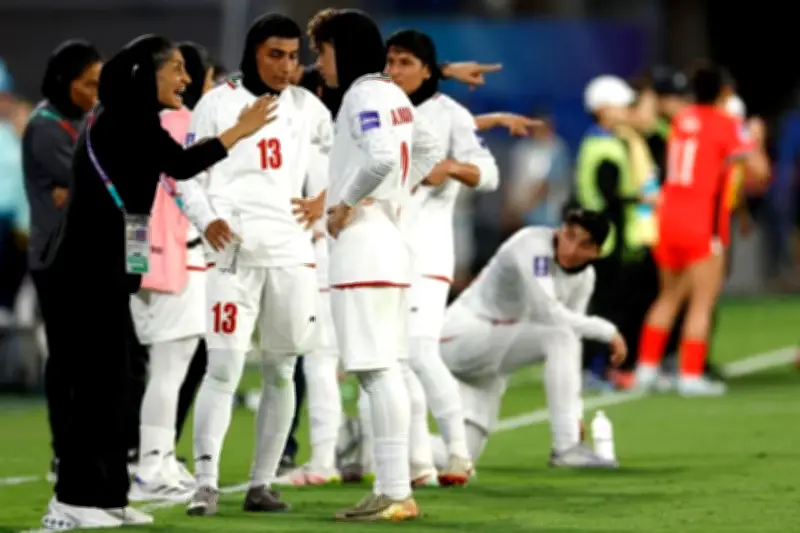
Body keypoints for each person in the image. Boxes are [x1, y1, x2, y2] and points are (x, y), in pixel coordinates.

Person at [39, 34, 275, 530]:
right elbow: (183, 165)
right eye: (176, 69)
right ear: (145, 74)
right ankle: (71, 502)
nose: (186, 79)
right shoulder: (124, 119)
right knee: (95, 389)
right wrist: (241, 129)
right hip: (86, 272)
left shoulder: (126, 116)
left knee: (116, 388)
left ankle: (108, 495)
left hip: (107, 269)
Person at [179, 14, 332, 516]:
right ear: (253, 53)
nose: (286, 66)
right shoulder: (217, 103)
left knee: (283, 370)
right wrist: (206, 219)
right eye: (275, 55)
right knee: (223, 366)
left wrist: (325, 200)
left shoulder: (309, 107)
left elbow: (339, 167)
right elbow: (185, 174)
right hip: (233, 254)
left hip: (292, 255)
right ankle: (205, 484)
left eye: (293, 56)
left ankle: (261, 484)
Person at [312, 8, 443, 521]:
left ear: (343, 49)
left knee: (375, 371)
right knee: (382, 369)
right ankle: (392, 489)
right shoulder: (393, 95)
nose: (320, 63)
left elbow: (383, 157)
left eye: (323, 51)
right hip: (387, 239)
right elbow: (427, 149)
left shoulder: (363, 94)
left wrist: (345, 203)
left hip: (363, 245)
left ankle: (394, 491)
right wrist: (394, 197)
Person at [380, 28, 498, 487]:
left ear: (427, 70)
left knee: (419, 352)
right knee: (394, 360)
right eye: (390, 62)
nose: (394, 71)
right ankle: (419, 464)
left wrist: (450, 167)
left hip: (427, 255)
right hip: (382, 253)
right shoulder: (378, 110)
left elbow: (489, 173)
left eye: (405, 62)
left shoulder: (451, 115)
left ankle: (458, 452)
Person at [432, 209, 625, 468]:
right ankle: (565, 447)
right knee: (558, 334)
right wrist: (607, 331)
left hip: (489, 361)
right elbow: (549, 312)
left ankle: (380, 450)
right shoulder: (533, 246)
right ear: (560, 229)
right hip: (461, 335)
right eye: (569, 236)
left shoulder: (585, 278)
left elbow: (572, 338)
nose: (571, 249)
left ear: (596, 252)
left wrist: (574, 413)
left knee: (458, 459)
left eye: (584, 244)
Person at [636, 66, 768, 396]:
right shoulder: (725, 124)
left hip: (668, 216)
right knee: (701, 302)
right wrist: (756, 139)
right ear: (723, 92)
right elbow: (759, 171)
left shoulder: (682, 119)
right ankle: (690, 374)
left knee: (668, 296)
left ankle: (646, 370)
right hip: (701, 220)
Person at [128, 41, 217, 502]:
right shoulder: (185, 125)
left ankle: (159, 460)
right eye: (209, 78)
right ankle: (150, 467)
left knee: (166, 367)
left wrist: (136, 262)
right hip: (178, 255)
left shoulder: (138, 122)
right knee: (170, 367)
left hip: (145, 254)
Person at [21, 39, 102, 483]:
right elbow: (88, 186)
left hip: (86, 255)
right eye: (89, 84)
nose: (96, 92)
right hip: (57, 258)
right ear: (64, 81)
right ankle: (63, 453)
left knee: (90, 359)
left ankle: (86, 449)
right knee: (68, 358)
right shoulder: (46, 127)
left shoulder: (85, 119)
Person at [573, 75, 653, 391]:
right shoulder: (604, 146)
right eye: (620, 105)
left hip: (604, 237)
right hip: (604, 240)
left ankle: (598, 367)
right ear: (602, 109)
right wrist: (640, 199)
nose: (625, 110)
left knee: (607, 306)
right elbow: (608, 195)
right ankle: (593, 369)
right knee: (605, 308)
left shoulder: (602, 141)